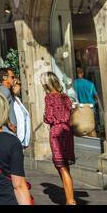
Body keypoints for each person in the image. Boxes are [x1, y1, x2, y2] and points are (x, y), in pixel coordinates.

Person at [43, 73, 76, 205]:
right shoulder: (65, 97)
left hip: (57, 132)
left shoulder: (49, 97)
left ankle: (71, 201)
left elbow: (49, 118)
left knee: (61, 167)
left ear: (47, 84)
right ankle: (70, 198)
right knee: (65, 166)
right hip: (67, 131)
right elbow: (70, 115)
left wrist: (45, 116)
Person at [0, 64, 18, 133]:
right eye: (12, 77)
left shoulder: (2, 90)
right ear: (4, 77)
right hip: (7, 131)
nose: (14, 80)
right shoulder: (4, 90)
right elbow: (0, 108)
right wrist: (10, 125)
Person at [11, 76, 32, 149]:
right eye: (18, 84)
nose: (20, 87)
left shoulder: (17, 99)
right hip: (16, 139)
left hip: (21, 140)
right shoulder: (11, 101)